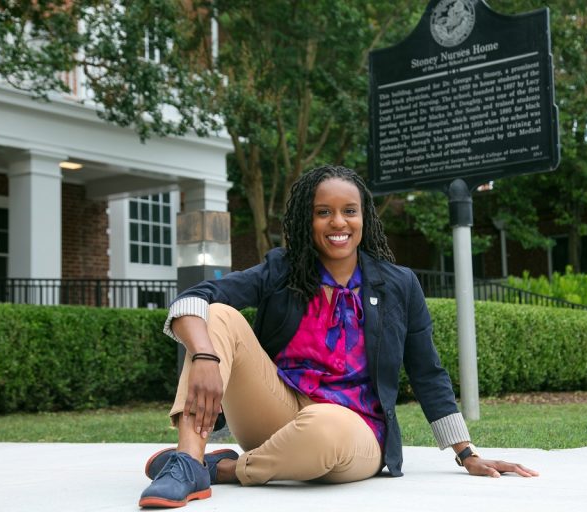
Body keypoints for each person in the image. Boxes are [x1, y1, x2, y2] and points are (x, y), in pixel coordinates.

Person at [138, 165, 537, 508]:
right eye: (323, 212)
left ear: (365, 217)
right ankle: (189, 461)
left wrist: (466, 454)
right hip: (277, 410)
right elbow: (193, 299)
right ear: (305, 220)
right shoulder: (282, 270)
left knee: (324, 425)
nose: (338, 223)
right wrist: (205, 357)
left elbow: (427, 372)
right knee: (219, 315)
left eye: (349, 211)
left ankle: (223, 469)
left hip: (354, 430)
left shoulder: (399, 285)